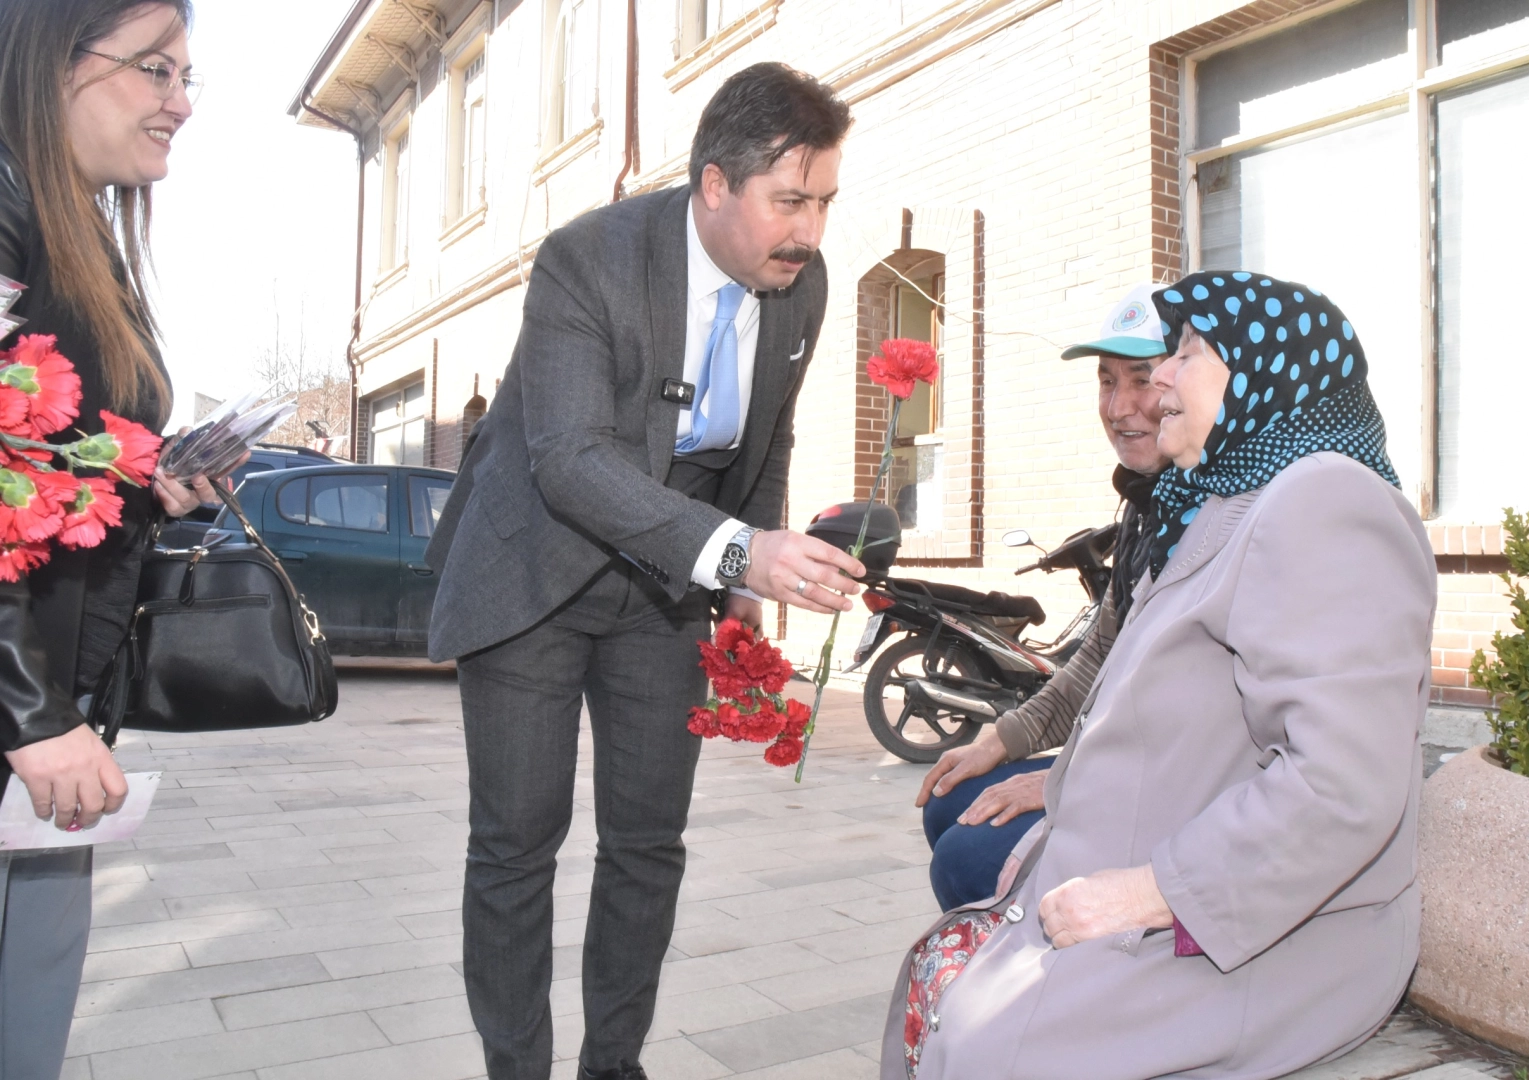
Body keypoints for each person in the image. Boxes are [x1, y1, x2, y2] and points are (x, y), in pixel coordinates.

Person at [880, 271, 1436, 1080]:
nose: (1159, 380)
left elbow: (1341, 786)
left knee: (981, 1046)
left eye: (1188, 352)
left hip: (1262, 942)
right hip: (1176, 898)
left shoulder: (1325, 500)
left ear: (1261, 367)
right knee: (955, 1003)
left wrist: (1151, 892)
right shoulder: (1219, 499)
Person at [424, 63, 860, 1080]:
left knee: (648, 842)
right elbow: (570, 459)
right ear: (715, 184)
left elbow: (769, 439)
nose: (811, 230)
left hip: (666, 589)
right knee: (517, 843)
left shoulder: (801, 283)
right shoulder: (590, 260)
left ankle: (613, 1065)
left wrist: (745, 585)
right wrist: (742, 550)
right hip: (536, 571)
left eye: (826, 202)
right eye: (790, 200)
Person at [0, 3, 215, 1076]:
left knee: (30, 1002)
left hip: (53, 710)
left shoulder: (75, 230)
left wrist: (152, 486)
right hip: (29, 715)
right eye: (154, 70)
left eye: (187, 76)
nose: (181, 103)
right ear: (52, 61)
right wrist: (29, 713)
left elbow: (47, 466)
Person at [915, 283, 1170, 911]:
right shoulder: (1146, 508)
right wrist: (998, 741)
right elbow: (1096, 660)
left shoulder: (1225, 514)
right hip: (1123, 767)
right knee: (948, 800)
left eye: (1143, 379)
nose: (1119, 406)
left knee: (969, 857)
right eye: (1106, 381)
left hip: (1176, 791)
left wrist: (1067, 782)